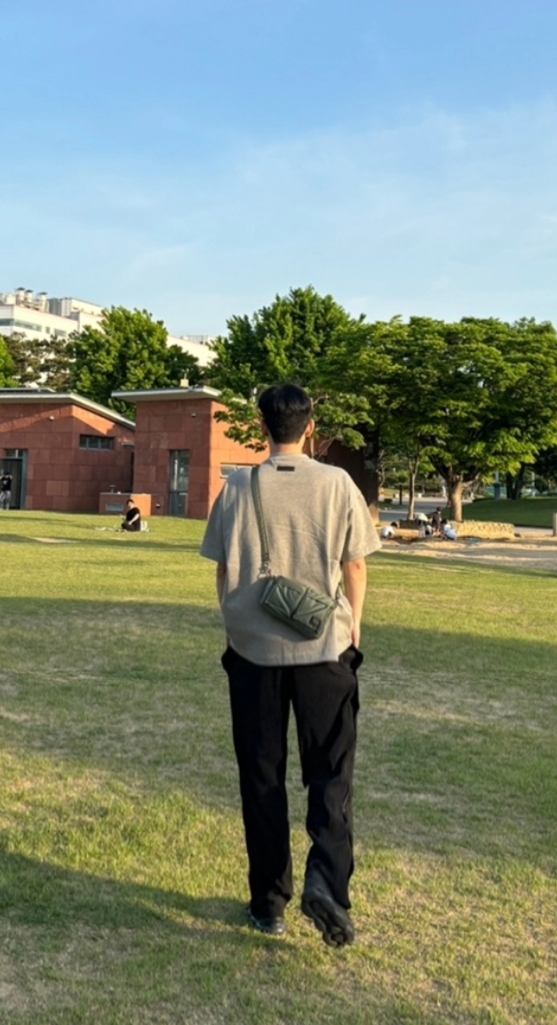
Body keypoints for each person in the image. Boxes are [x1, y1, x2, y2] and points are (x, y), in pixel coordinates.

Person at [200, 383, 381, 948]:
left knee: (261, 775)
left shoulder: (236, 487)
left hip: (253, 650)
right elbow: (355, 565)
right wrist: (354, 624)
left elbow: (223, 572)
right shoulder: (337, 484)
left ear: (261, 425)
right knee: (330, 772)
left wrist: (236, 622)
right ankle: (327, 883)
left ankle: (268, 902)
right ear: (310, 426)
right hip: (324, 647)